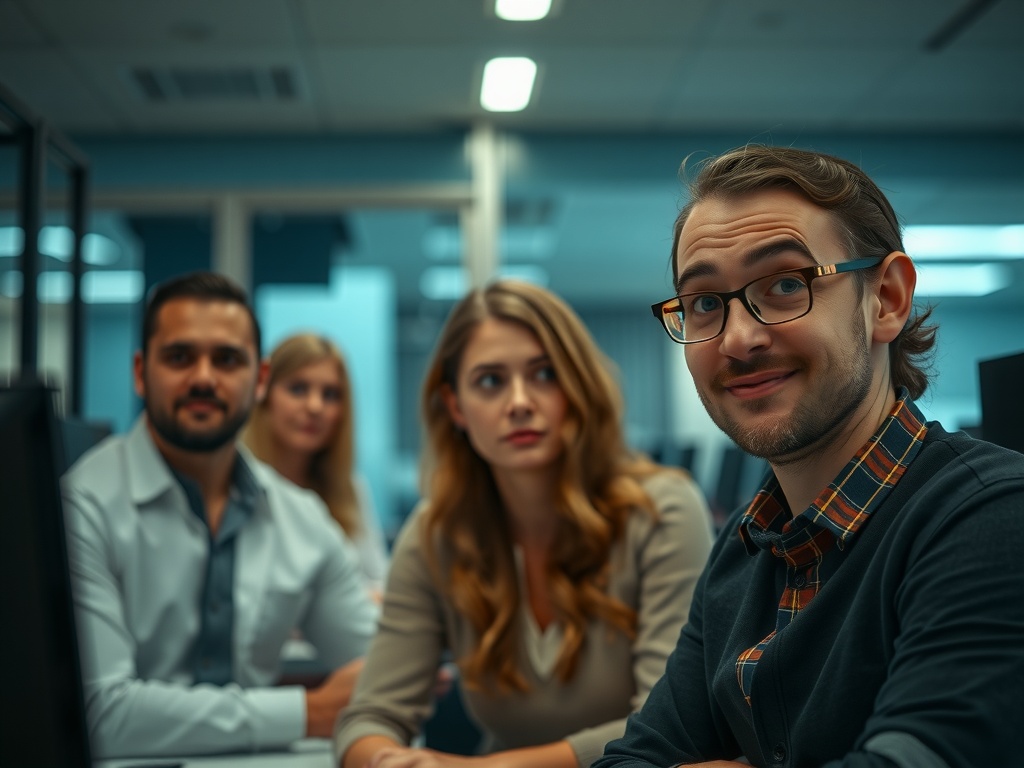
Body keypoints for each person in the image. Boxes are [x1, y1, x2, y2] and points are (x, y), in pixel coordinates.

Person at [596, 145, 1024, 768]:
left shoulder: (989, 519)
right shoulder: (743, 552)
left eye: (787, 285)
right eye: (706, 303)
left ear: (887, 299)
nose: (739, 339)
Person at [334, 279, 716, 768]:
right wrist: (385, 761)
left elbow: (667, 725)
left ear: (576, 385)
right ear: (455, 407)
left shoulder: (663, 510)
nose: (519, 402)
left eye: (544, 374)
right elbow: (368, 716)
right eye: (490, 381)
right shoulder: (437, 533)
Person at [61, 272, 380, 759]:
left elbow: (376, 666)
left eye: (228, 359)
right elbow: (100, 714)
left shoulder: (301, 517)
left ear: (261, 380)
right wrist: (305, 712)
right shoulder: (83, 505)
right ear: (141, 373)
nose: (205, 377)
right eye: (180, 357)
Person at [242, 333, 390, 595]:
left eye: (330, 394)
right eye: (298, 389)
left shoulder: (350, 489)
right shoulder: (232, 483)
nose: (315, 406)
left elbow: (379, 583)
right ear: (264, 394)